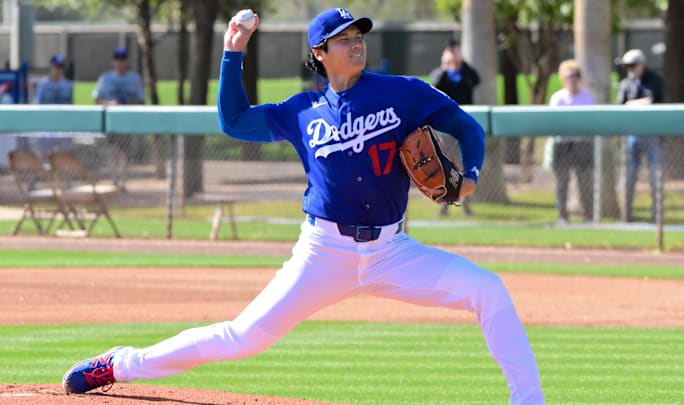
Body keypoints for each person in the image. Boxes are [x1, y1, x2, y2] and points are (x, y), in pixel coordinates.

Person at [62, 9, 545, 404]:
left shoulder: (403, 92)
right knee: (241, 337)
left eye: (358, 35)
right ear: (319, 53)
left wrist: (472, 176)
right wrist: (233, 51)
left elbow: (468, 127)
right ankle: (120, 364)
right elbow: (233, 121)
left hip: (391, 251)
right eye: (342, 38)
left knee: (489, 290)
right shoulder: (300, 111)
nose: (355, 43)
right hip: (323, 252)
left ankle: (529, 400)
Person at [430, 38, 481, 217]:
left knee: (464, 167)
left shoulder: (465, 72)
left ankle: (466, 203)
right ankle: (445, 203)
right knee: (446, 165)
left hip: (464, 129)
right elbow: (434, 86)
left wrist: (460, 62)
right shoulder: (441, 74)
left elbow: (476, 80)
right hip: (446, 129)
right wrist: (446, 67)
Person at [616, 49, 663, 223]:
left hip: (651, 134)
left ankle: (657, 217)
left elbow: (651, 100)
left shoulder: (654, 80)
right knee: (628, 177)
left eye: (633, 65)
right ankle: (626, 217)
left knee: (655, 176)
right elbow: (620, 105)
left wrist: (631, 103)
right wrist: (635, 103)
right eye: (628, 66)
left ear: (642, 64)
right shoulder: (625, 84)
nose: (630, 69)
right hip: (631, 135)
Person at [547, 59, 595, 224]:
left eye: (574, 76)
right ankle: (562, 216)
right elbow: (552, 121)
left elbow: (591, 121)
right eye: (568, 76)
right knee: (562, 182)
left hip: (582, 144)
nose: (571, 79)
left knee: (585, 182)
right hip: (563, 145)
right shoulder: (558, 98)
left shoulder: (587, 97)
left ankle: (588, 216)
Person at [93, 47, 145, 191]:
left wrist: (126, 103)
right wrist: (110, 103)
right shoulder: (106, 78)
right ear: (113, 61)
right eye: (117, 59)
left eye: (123, 59)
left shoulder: (134, 78)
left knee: (125, 153)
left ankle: (123, 182)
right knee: (112, 150)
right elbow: (97, 98)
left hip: (127, 120)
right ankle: (114, 181)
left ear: (126, 61)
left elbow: (141, 100)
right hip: (111, 120)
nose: (120, 62)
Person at [32, 54, 74, 157]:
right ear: (51, 66)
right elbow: (37, 104)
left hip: (63, 127)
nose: (58, 69)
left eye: (61, 66)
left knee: (63, 156)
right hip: (46, 126)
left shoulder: (67, 85)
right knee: (45, 156)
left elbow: (70, 106)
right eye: (56, 66)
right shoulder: (43, 85)